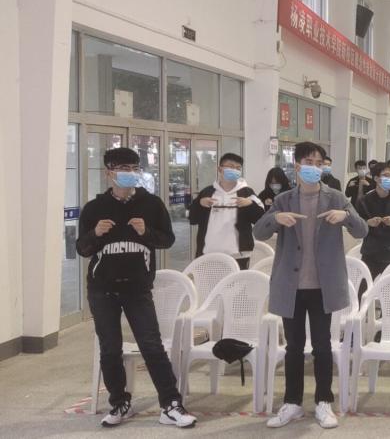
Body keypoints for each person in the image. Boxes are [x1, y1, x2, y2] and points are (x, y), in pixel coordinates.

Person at [76, 148, 197, 428]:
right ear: (109, 173)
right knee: (110, 349)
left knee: (151, 346)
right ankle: (120, 403)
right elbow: (82, 248)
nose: (128, 173)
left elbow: (167, 240)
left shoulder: (151, 204)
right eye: (122, 168)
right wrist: (95, 233)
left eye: (133, 168)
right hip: (102, 290)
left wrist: (146, 232)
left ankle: (171, 404)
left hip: (137, 289)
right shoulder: (94, 208)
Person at [255, 142, 368, 429]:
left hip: (322, 285)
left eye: (319, 163)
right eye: (308, 162)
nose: (314, 168)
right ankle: (292, 403)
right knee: (293, 347)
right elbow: (258, 232)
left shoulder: (336, 197)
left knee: (322, 345)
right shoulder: (284, 200)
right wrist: (275, 218)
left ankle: (323, 401)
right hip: (291, 285)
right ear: (296, 166)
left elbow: (362, 230)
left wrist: (346, 216)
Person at [189, 153, 266, 269]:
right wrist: (199, 204)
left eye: (238, 168)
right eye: (230, 166)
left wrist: (250, 204)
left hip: (239, 255)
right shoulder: (207, 192)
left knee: (238, 281)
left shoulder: (247, 192)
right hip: (208, 254)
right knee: (208, 281)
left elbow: (261, 219)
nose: (234, 170)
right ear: (220, 169)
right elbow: (192, 219)